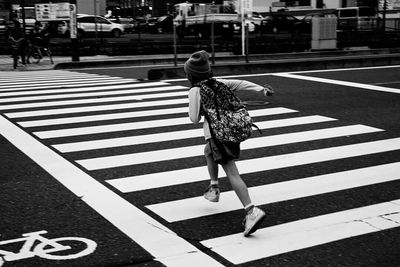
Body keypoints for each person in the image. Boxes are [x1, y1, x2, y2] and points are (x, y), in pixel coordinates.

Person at [186, 50, 274, 236]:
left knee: (232, 172)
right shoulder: (219, 83)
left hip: (217, 135)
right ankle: (214, 187)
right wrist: (262, 90)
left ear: (190, 74)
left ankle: (251, 211)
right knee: (208, 152)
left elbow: (194, 118)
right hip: (230, 130)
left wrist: (202, 108)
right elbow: (242, 84)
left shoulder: (196, 90)